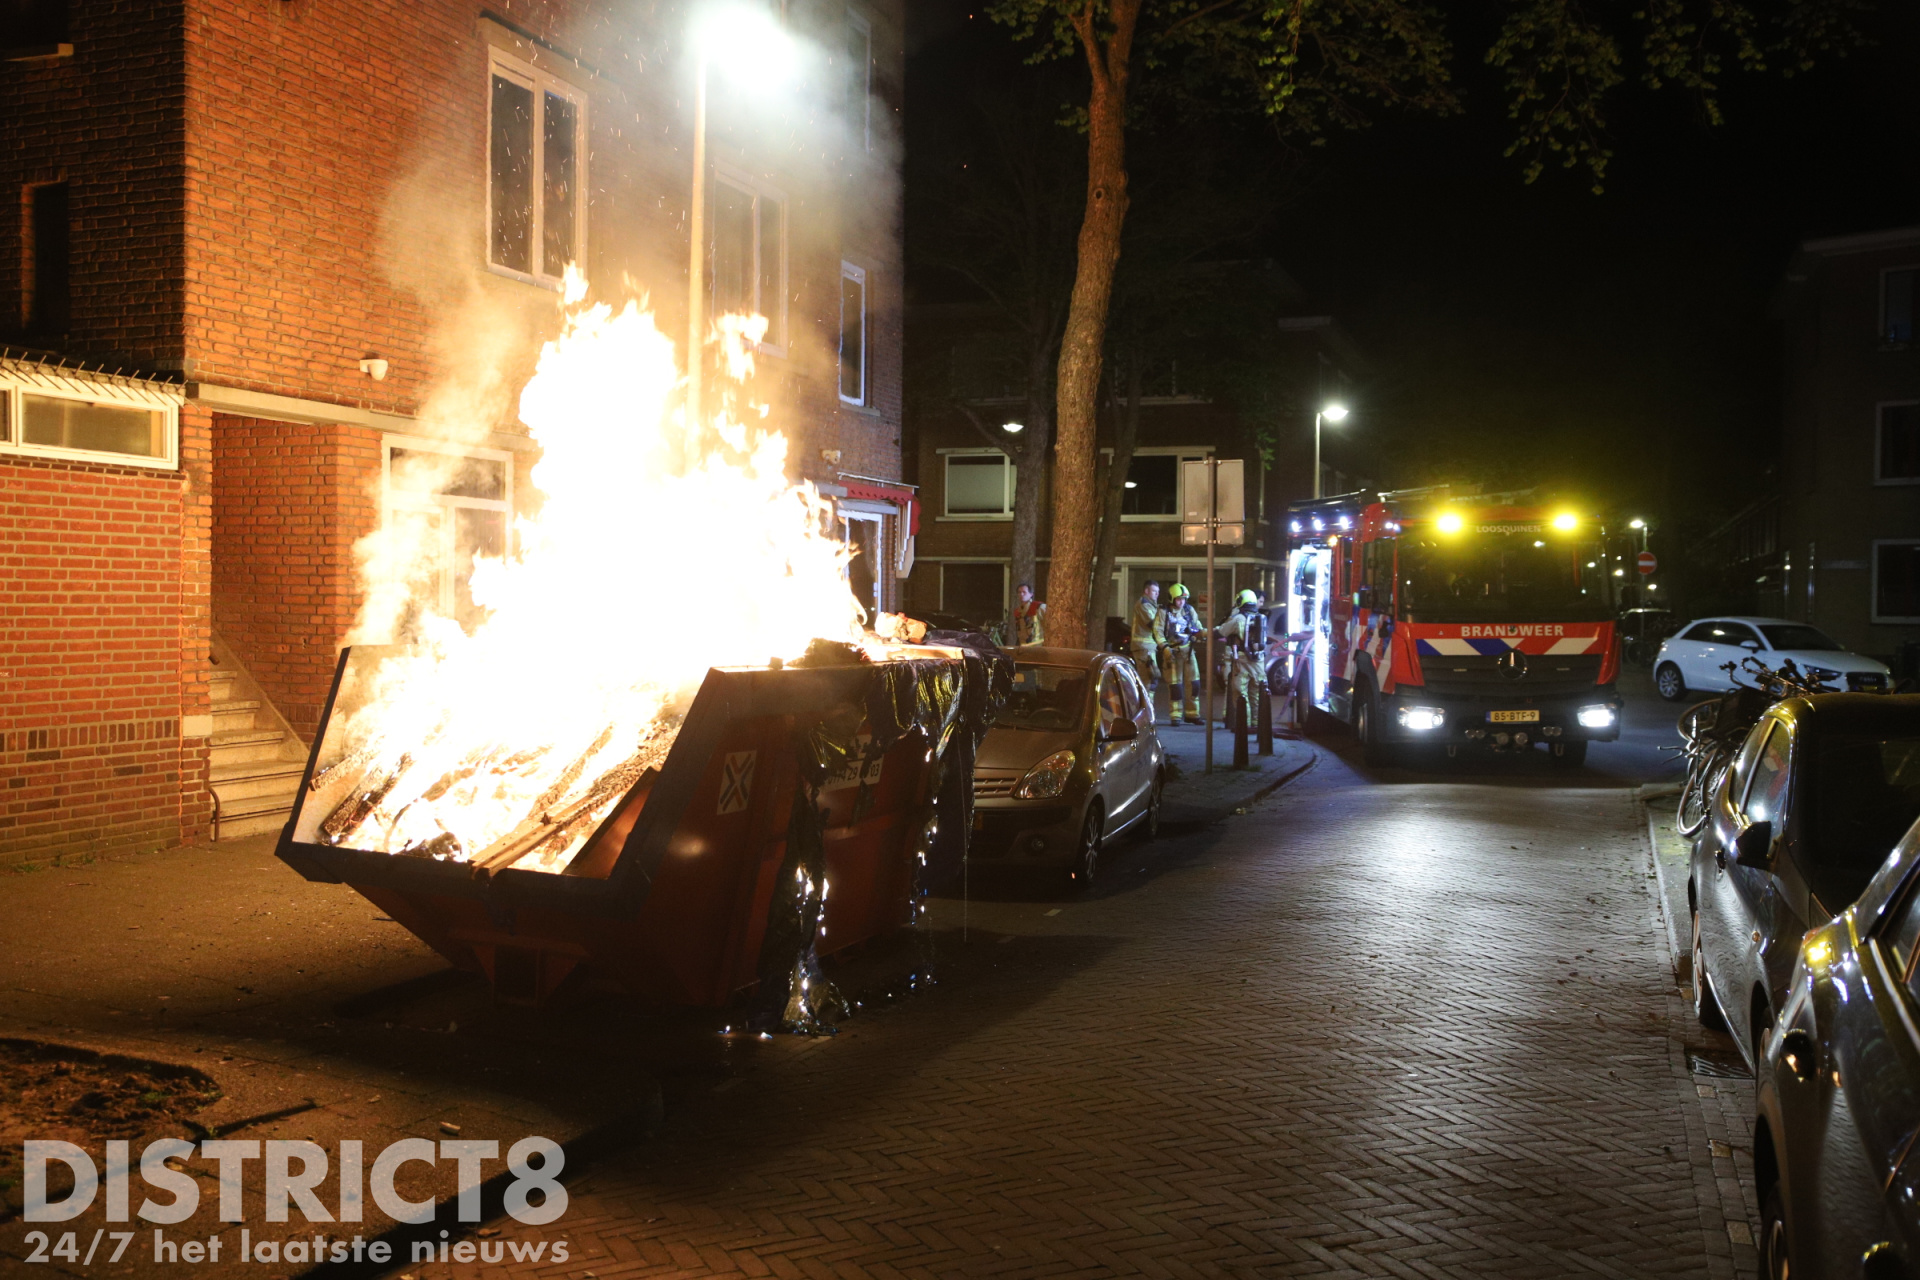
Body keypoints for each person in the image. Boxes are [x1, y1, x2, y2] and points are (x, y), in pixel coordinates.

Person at [1217, 588, 1268, 728]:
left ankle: (1243, 729)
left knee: (1241, 695)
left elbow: (1222, 631)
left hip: (1243, 662)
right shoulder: (1260, 618)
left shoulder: (1239, 618)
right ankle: (1257, 727)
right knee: (1256, 695)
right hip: (1259, 663)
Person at [1158, 583, 1202, 725]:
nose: (1181, 602)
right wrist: (1164, 648)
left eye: (1183, 599)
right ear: (1171, 598)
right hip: (1172, 652)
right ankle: (1175, 715)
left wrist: (1199, 634)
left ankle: (1192, 714)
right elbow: (1157, 631)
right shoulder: (1163, 612)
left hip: (1188, 651)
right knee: (1175, 686)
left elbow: (1197, 626)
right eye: (1178, 599)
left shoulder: (1189, 610)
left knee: (1194, 683)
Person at [1129, 581, 1163, 694]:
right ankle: (1145, 707)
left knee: (1152, 679)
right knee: (1147, 679)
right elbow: (1153, 624)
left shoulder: (1152, 605)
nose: (1157, 594)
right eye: (1154, 591)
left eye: (1158, 592)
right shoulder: (1143, 604)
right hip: (1143, 647)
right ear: (1146, 591)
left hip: (1148, 647)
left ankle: (1148, 707)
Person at [1010, 582, 1047, 646]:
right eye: (1019, 592)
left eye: (1024, 592)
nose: (1021, 594)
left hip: (1039, 647)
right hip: (1024, 648)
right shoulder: (1018, 612)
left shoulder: (1039, 607)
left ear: (1031, 594)